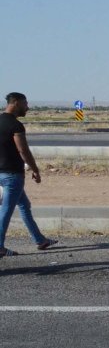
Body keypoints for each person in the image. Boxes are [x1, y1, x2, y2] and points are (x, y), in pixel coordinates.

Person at [0, 92, 57, 256]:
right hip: (12, 176)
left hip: (2, 174)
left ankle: (40, 239)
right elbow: (23, 150)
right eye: (25, 104)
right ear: (16, 103)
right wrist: (35, 169)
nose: (27, 107)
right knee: (6, 211)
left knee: (24, 205)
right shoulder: (15, 126)